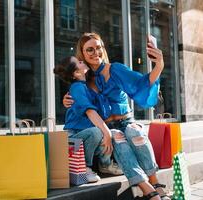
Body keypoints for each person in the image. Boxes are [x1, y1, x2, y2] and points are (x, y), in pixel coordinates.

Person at [63, 32, 169, 200]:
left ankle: (155, 183)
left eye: (98, 48)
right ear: (82, 53)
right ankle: (148, 190)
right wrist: (66, 100)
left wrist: (159, 66)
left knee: (135, 133)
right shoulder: (83, 78)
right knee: (117, 137)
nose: (95, 52)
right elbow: (81, 105)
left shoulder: (115, 69)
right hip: (108, 128)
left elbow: (141, 83)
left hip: (125, 121)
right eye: (89, 49)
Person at [54, 56, 123, 183]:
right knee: (98, 132)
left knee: (111, 134)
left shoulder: (85, 86)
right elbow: (90, 112)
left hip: (87, 136)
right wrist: (105, 132)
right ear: (76, 73)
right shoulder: (77, 88)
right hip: (74, 136)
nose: (83, 61)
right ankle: (83, 168)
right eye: (79, 62)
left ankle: (105, 165)